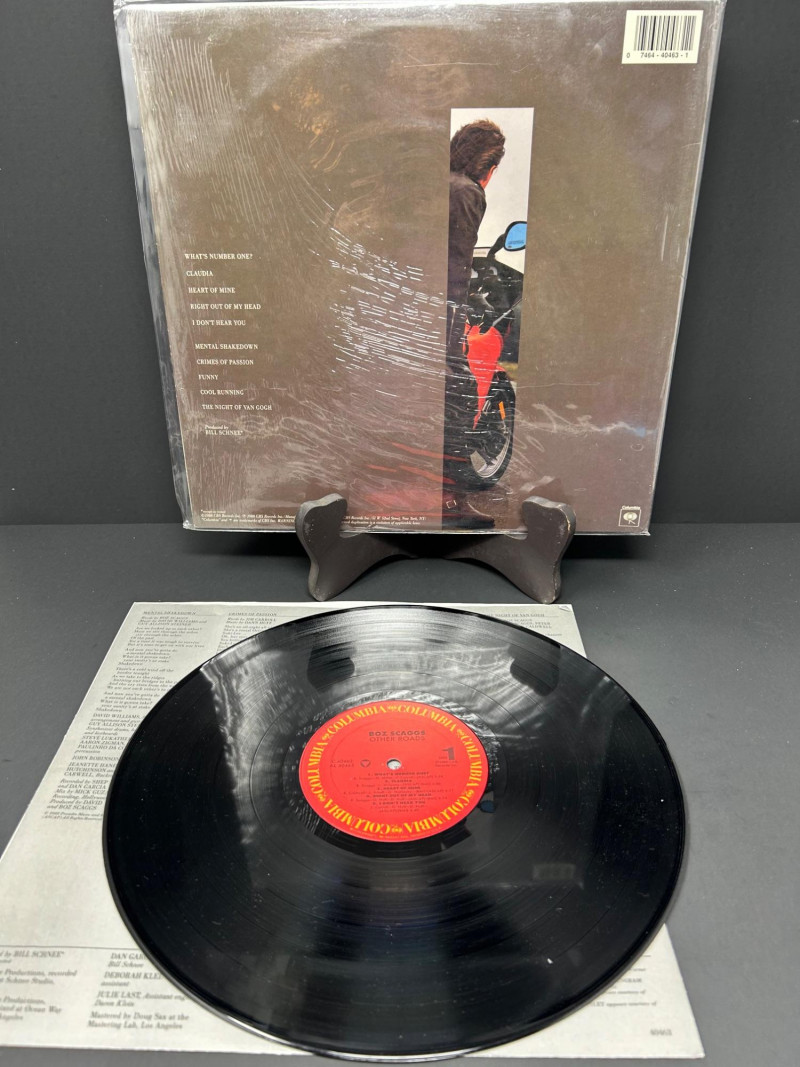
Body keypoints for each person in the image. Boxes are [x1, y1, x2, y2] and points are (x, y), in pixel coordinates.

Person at [443, 120, 505, 530]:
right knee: (459, 393)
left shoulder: (435, 185)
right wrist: (462, 308)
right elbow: (455, 263)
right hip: (438, 313)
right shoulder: (467, 191)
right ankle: (448, 501)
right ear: (490, 167)